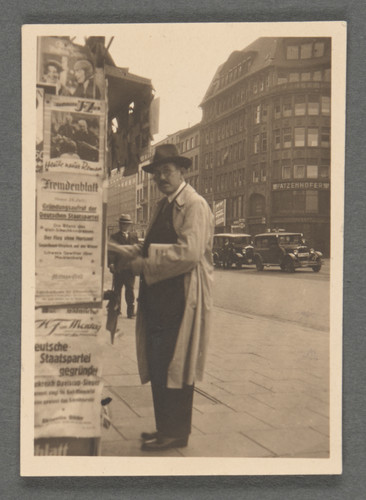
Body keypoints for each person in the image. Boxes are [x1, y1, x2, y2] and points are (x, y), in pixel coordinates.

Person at [108, 144, 214, 451]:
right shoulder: (164, 205)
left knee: (175, 366)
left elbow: (190, 254)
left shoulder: (194, 204)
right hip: (159, 298)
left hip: (180, 299)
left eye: (167, 171)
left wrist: (144, 263)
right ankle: (165, 428)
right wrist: (134, 250)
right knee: (158, 364)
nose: (161, 178)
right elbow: (158, 244)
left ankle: (176, 433)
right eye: (157, 173)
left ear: (182, 170)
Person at [108, 214, 138, 319]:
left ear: (129, 225)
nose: (124, 226)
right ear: (119, 224)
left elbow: (137, 251)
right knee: (117, 290)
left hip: (130, 269)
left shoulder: (134, 236)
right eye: (122, 224)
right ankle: (116, 310)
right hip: (118, 269)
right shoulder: (114, 237)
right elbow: (111, 252)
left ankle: (130, 312)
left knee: (130, 290)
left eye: (126, 224)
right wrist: (111, 264)